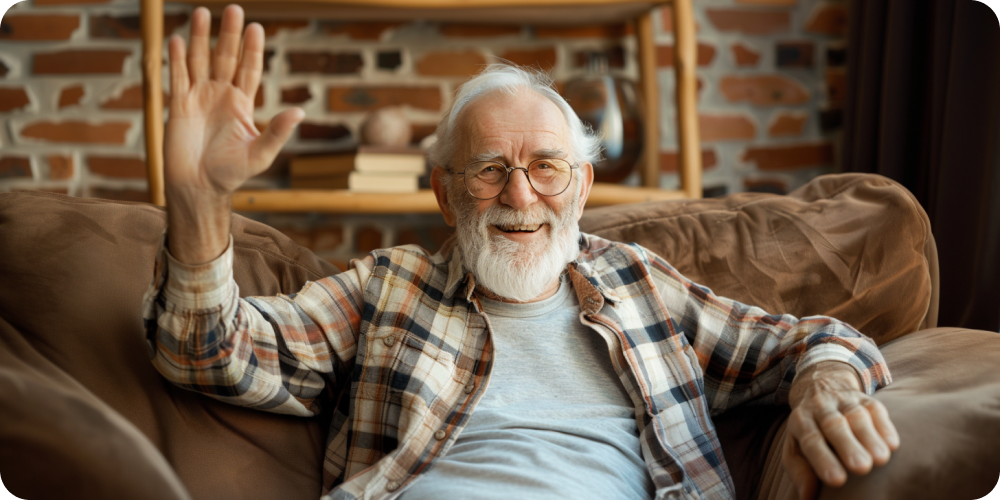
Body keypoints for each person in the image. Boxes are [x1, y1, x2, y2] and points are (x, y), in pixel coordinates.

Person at [142, 5, 900, 500]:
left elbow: (815, 340)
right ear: (444, 193)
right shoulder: (387, 288)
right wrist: (201, 203)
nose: (519, 195)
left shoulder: (640, 286)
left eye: (546, 167)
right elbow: (210, 353)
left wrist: (828, 387)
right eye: (489, 170)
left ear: (581, 186)